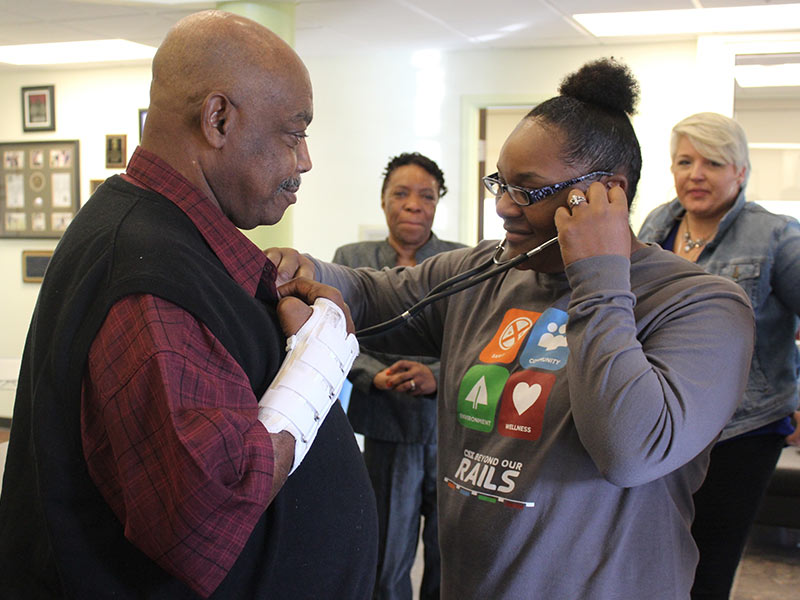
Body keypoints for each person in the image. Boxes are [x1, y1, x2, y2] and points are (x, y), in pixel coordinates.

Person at [268, 58, 756, 598]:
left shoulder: (703, 306)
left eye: (528, 189)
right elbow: (375, 292)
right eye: (501, 182)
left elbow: (630, 450)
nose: (502, 207)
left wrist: (598, 276)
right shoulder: (487, 270)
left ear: (606, 195)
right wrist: (305, 271)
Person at [0, 10, 377, 598]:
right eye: (293, 133)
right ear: (218, 118)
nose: (305, 161)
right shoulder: (146, 271)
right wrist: (320, 361)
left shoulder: (170, 240)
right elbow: (208, 507)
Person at [637, 111, 800, 599]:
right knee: (655, 559)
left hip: (742, 430)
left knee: (708, 567)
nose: (696, 174)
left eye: (713, 162)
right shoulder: (655, 226)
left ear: (741, 172)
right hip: (665, 423)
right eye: (684, 161)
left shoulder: (775, 235)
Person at [333, 152, 465, 600]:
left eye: (426, 196)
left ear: (437, 203)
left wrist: (435, 375)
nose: (413, 205)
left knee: (448, 556)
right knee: (387, 555)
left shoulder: (459, 260)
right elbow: (338, 335)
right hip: (385, 422)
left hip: (449, 426)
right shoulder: (352, 259)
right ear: (383, 201)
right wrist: (375, 375)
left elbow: (473, 341)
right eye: (401, 194)